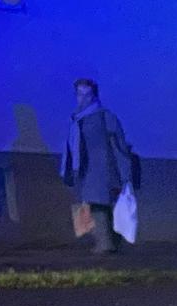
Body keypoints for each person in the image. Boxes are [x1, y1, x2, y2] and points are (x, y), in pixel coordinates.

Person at [59, 78, 138, 255]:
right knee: (93, 205)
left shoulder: (104, 117)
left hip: (102, 171)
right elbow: (72, 147)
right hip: (84, 170)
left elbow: (119, 146)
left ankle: (105, 244)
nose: (83, 99)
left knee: (99, 205)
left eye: (87, 95)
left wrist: (125, 174)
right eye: (80, 94)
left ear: (94, 96)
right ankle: (106, 243)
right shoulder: (78, 118)